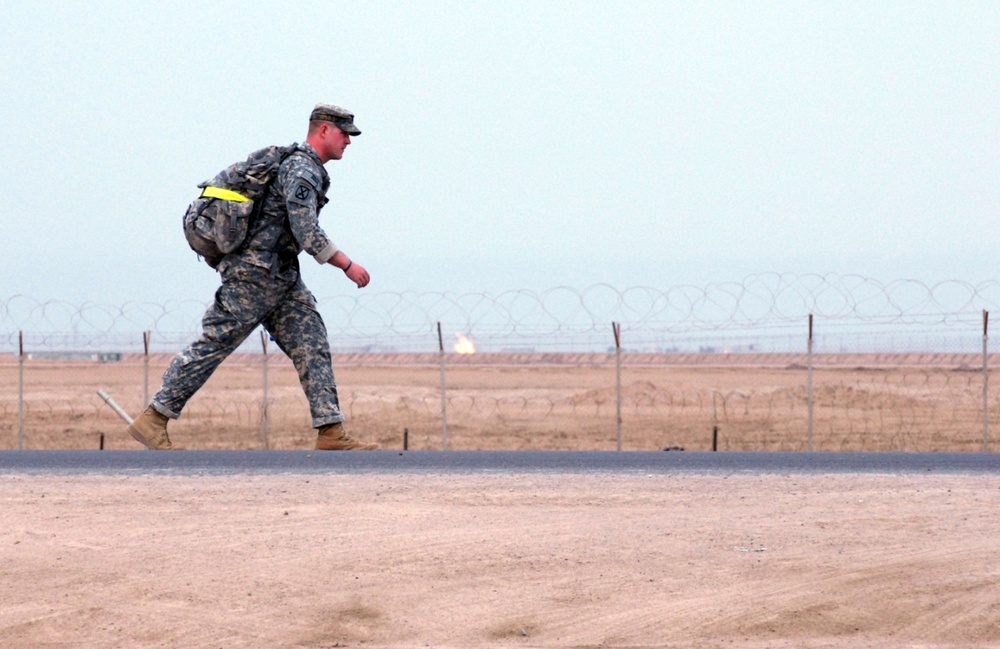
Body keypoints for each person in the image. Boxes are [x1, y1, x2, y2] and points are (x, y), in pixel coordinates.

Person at [127, 103, 379, 451]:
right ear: (323, 130)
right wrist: (347, 265)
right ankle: (154, 418)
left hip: (281, 275)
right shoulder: (302, 170)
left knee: (311, 342)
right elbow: (306, 229)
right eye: (343, 134)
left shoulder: (305, 167)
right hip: (255, 275)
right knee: (216, 343)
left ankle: (330, 429)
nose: (348, 142)